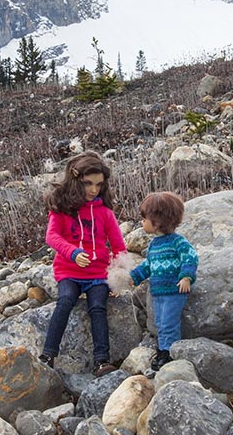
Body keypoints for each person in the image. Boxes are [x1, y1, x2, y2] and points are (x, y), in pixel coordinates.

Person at [39, 151, 127, 378]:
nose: (93, 190)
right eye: (88, 184)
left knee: (98, 307)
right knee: (65, 300)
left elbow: (118, 245)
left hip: (97, 273)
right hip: (68, 270)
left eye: (98, 184)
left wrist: (119, 277)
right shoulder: (61, 209)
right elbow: (52, 237)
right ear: (75, 180)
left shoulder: (105, 213)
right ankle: (48, 355)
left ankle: (101, 361)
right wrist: (73, 252)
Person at [129, 192, 199, 370]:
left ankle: (168, 353)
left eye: (144, 219)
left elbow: (190, 258)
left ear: (157, 222)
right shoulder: (153, 245)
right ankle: (162, 350)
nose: (142, 222)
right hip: (158, 292)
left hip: (174, 291)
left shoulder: (178, 242)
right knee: (160, 322)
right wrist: (133, 277)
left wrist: (186, 276)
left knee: (169, 322)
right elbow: (148, 265)